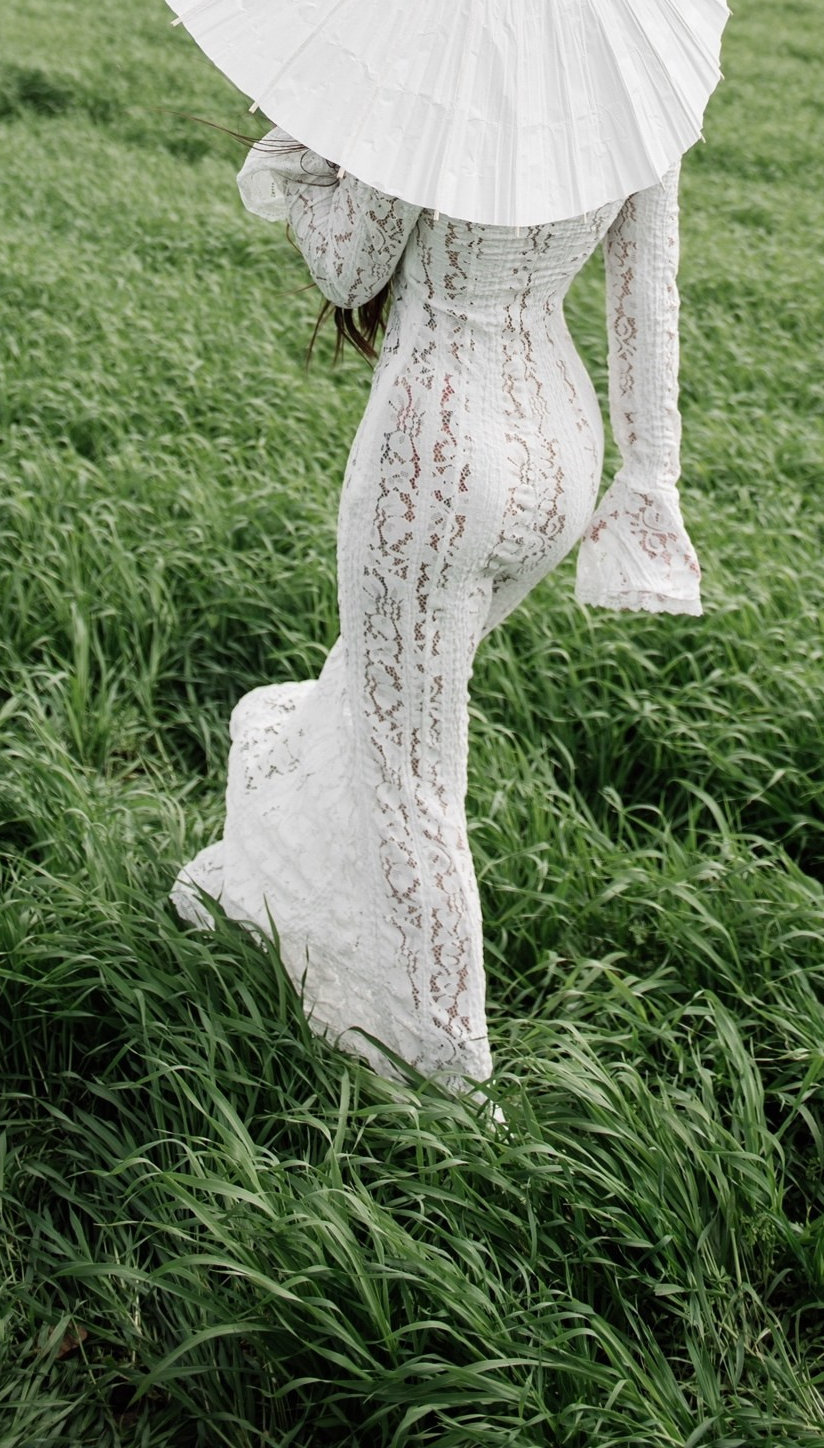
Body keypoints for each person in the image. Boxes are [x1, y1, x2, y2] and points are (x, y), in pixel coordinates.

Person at [173, 127, 700, 1088]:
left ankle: (458, 1086)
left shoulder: (440, 64)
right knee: (374, 700)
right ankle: (290, 918)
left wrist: (296, 167)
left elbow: (350, 264)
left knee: (412, 777)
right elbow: (645, 304)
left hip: (440, 453)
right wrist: (649, 482)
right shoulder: (631, 90)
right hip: (560, 449)